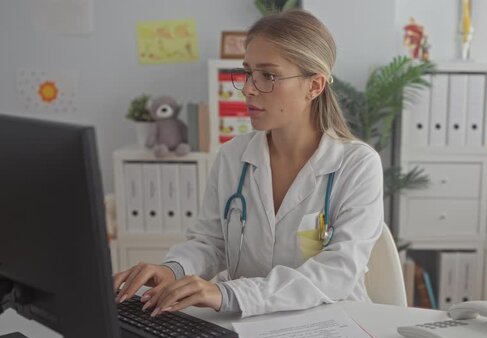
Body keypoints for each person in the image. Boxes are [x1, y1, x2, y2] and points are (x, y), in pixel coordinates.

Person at [113, 10, 384, 318]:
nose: (249, 88)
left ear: (315, 85)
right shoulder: (233, 156)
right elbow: (211, 242)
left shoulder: (357, 165)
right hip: (249, 324)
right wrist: (172, 269)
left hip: (332, 322)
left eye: (268, 75)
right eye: (247, 73)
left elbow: (338, 271)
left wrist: (228, 294)